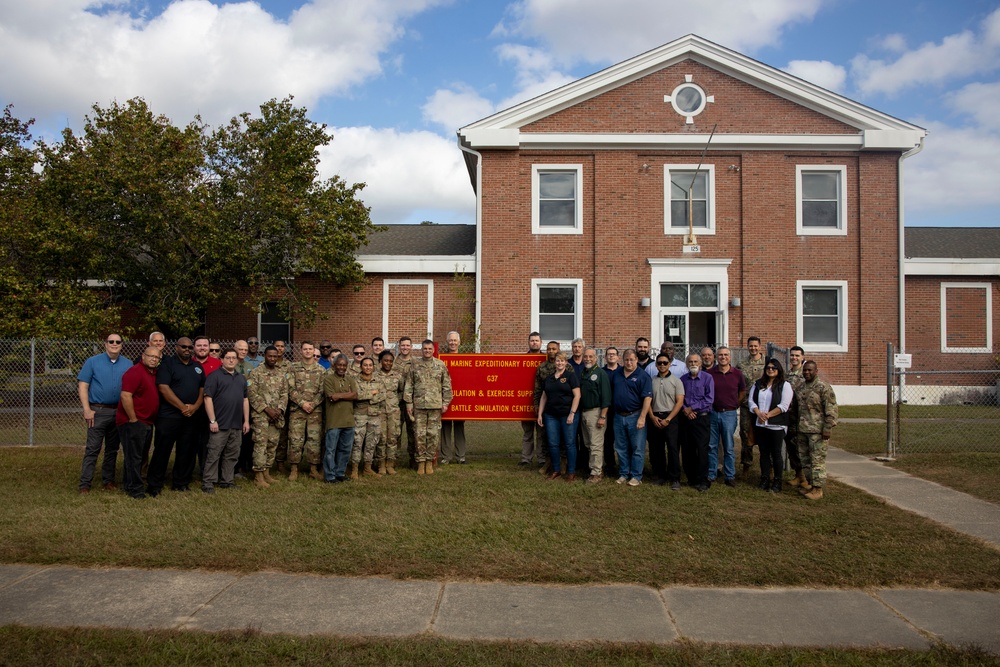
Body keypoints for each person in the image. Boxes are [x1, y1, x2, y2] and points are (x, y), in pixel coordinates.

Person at [147, 337, 205, 496]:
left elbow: (202, 388)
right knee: (162, 450)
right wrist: (182, 407)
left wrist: (195, 407)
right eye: (184, 346)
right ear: (176, 347)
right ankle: (155, 484)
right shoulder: (167, 364)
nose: (187, 349)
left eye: (189, 347)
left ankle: (181, 482)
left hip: (191, 416)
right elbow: (163, 388)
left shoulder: (197, 366)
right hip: (169, 416)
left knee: (187, 450)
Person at [77, 333, 132, 493]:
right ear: (105, 344)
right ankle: (85, 484)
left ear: (122, 344)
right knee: (93, 448)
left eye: (118, 342)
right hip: (98, 411)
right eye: (111, 341)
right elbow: (83, 386)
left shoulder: (127, 364)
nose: (114, 344)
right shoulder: (93, 362)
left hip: (118, 412)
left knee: (112, 449)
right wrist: (87, 410)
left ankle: (108, 480)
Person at [116, 346, 162, 499]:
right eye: (151, 356)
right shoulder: (135, 372)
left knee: (140, 456)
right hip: (134, 422)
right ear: (143, 356)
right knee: (134, 456)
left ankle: (129, 485)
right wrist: (133, 419)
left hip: (147, 422)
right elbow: (125, 396)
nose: (154, 359)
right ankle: (136, 490)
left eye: (157, 357)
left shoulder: (153, 374)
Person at [202, 349, 249, 493]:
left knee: (232, 454)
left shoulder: (241, 378)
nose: (231, 360)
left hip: (236, 424)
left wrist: (246, 421)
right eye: (228, 358)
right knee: (214, 453)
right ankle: (208, 482)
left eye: (234, 358)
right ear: (222, 359)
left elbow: (245, 400)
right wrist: (212, 420)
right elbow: (207, 398)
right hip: (220, 423)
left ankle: (227, 480)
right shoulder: (214, 376)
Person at [404, 339, 452, 476]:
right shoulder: (415, 365)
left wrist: (445, 403)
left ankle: (429, 461)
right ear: (421, 350)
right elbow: (409, 385)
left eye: (430, 349)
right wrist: (408, 403)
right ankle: (420, 462)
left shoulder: (440, 365)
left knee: (432, 435)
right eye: (425, 349)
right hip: (418, 406)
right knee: (419, 434)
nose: (427, 351)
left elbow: (447, 386)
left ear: (433, 350)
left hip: (435, 406)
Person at [748, 358, 794, 494]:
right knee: (763, 453)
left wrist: (767, 415)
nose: (770, 370)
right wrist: (758, 413)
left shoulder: (784, 385)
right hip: (761, 425)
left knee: (776, 454)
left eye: (774, 368)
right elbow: (751, 401)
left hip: (776, 426)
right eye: (768, 368)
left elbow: (784, 405)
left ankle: (777, 481)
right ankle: (764, 479)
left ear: (778, 370)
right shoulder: (758, 384)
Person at [796, 361, 839, 500]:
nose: (807, 372)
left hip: (817, 431)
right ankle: (810, 485)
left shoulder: (823, 388)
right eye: (805, 370)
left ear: (816, 371)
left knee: (817, 460)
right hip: (802, 429)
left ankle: (818, 489)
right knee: (805, 460)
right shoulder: (801, 387)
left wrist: (827, 428)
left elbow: (831, 410)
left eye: (809, 370)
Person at [247, 346, 288, 488]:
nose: (272, 358)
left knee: (272, 444)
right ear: (264, 356)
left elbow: (284, 393)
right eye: (270, 356)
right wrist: (266, 409)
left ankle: (266, 472)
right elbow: (252, 394)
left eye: (275, 356)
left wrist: (279, 409)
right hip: (261, 416)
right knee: (261, 444)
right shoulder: (255, 373)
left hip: (276, 416)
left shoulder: (281, 374)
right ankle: (258, 475)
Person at [610, 348, 652, 486]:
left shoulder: (643, 376)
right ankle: (623, 473)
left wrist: (642, 417)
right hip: (618, 416)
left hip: (635, 415)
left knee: (637, 448)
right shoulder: (617, 374)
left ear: (636, 360)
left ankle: (636, 476)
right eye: (626, 360)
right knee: (621, 447)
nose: (629, 363)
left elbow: (647, 398)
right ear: (623, 360)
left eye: (632, 360)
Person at [537, 352, 581, 482]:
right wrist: (540, 413)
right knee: (553, 443)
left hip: (568, 415)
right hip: (551, 415)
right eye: (557, 361)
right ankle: (556, 470)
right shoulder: (549, 378)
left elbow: (577, 396)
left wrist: (572, 413)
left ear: (566, 362)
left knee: (569, 443)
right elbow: (544, 397)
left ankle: (571, 472)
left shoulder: (571, 376)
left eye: (562, 361)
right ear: (554, 362)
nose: (559, 363)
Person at [286, 341, 326, 481]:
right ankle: (294, 469)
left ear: (314, 351)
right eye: (305, 349)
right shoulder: (293, 368)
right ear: (301, 351)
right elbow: (290, 389)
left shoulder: (321, 370)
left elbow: (323, 391)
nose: (308, 351)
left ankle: (313, 469)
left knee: (314, 440)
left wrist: (313, 404)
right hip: (297, 411)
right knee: (296, 440)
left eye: (310, 349)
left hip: (315, 412)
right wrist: (303, 404)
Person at [706, 346, 745, 488]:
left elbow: (742, 391)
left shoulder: (737, 374)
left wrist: (735, 404)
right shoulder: (710, 373)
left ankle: (730, 475)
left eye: (726, 355)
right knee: (712, 445)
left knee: (729, 446)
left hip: (729, 413)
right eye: (720, 355)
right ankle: (712, 474)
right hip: (713, 413)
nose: (723, 357)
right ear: (716, 357)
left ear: (730, 357)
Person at [648, 352, 685, 488]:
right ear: (656, 365)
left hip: (671, 418)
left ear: (669, 364)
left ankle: (675, 477)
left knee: (672, 448)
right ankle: (660, 475)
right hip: (655, 417)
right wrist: (652, 416)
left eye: (665, 363)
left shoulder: (676, 381)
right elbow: (647, 400)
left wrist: (668, 419)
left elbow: (679, 402)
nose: (662, 365)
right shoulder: (651, 380)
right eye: (659, 363)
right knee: (657, 448)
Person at [679, 353, 714, 492]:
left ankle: (703, 480)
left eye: (695, 361)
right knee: (687, 449)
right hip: (686, 418)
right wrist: (685, 410)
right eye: (690, 362)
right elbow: (679, 398)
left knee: (702, 449)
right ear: (687, 364)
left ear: (700, 364)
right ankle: (691, 478)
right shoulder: (682, 379)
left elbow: (709, 399)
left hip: (701, 418)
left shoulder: (707, 378)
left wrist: (692, 408)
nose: (693, 364)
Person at [533, 341, 568, 475]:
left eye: (554, 349)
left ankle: (563, 463)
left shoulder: (567, 367)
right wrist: (537, 405)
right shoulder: (542, 368)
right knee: (548, 437)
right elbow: (538, 389)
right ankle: (548, 463)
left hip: (564, 408)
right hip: (548, 408)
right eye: (548, 349)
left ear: (558, 350)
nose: (551, 351)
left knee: (564, 438)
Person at [323, 354, 358, 483]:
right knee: (331, 449)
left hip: (348, 420)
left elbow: (355, 395)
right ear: (334, 365)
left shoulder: (350, 380)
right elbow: (332, 397)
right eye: (339, 365)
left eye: (344, 365)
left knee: (345, 449)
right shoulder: (328, 379)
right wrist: (346, 394)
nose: (341, 367)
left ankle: (340, 472)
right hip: (334, 421)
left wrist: (340, 395)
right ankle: (330, 475)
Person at [578, 347, 611, 483]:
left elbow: (606, 397)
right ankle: (597, 467)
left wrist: (602, 416)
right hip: (584, 412)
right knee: (588, 443)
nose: (587, 359)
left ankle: (596, 473)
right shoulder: (583, 373)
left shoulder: (600, 373)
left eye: (590, 356)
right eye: (585, 356)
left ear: (596, 358)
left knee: (596, 444)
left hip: (596, 412)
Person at [351, 356, 384, 479]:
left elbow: (382, 395)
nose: (368, 367)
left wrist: (368, 398)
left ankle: (367, 468)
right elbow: (356, 396)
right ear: (361, 366)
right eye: (365, 365)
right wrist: (372, 393)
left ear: (373, 367)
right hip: (359, 416)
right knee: (357, 442)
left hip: (374, 416)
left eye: (370, 365)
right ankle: (354, 468)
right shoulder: (354, 380)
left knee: (371, 443)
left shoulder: (379, 380)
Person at [737, 336, 766, 474]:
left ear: (760, 346)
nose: (753, 348)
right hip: (746, 406)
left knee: (765, 435)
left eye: (755, 346)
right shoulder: (741, 365)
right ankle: (746, 464)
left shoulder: (768, 364)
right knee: (745, 433)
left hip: (764, 406)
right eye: (750, 346)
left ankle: (767, 465)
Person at [440, 331, 467, 464]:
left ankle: (461, 456)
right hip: (444, 398)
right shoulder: (441, 359)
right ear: (447, 342)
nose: (452, 343)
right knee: (445, 428)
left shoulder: (466, 360)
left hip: (461, 398)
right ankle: (446, 456)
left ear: (459, 342)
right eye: (450, 340)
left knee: (459, 428)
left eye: (455, 340)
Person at [519, 332, 546, 467]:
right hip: (526, 402)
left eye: (537, 340)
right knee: (527, 433)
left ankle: (541, 459)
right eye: (532, 340)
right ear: (528, 342)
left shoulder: (546, 360)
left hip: (543, 403)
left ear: (541, 343)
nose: (534, 342)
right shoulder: (521, 360)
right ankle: (526, 458)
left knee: (541, 434)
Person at [376, 349, 404, 475]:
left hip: (393, 411)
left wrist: (394, 401)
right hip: (379, 411)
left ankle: (390, 464)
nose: (388, 363)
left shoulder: (398, 376)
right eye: (385, 361)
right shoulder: (374, 375)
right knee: (381, 439)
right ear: (380, 361)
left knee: (392, 438)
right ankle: (381, 464)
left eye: (390, 361)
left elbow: (402, 391)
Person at [394, 336, 418, 469]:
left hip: (411, 403)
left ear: (411, 346)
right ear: (399, 346)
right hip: (396, 403)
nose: (405, 348)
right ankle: (393, 459)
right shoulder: (392, 363)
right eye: (403, 345)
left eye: (407, 345)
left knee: (412, 431)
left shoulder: (416, 363)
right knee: (395, 432)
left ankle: (413, 459)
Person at [784, 346, 806, 487]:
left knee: (802, 448)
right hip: (788, 417)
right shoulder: (787, 375)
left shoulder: (806, 374)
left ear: (802, 357)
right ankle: (798, 475)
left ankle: (805, 477)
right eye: (792, 355)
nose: (794, 358)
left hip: (803, 418)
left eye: (797, 355)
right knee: (791, 447)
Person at [602, 346, 621, 479]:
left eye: (614, 354)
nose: (611, 356)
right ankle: (610, 466)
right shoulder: (601, 372)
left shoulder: (623, 371)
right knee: (607, 440)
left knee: (621, 440)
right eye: (609, 354)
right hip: (606, 411)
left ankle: (624, 466)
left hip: (620, 410)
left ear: (618, 357)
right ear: (605, 357)